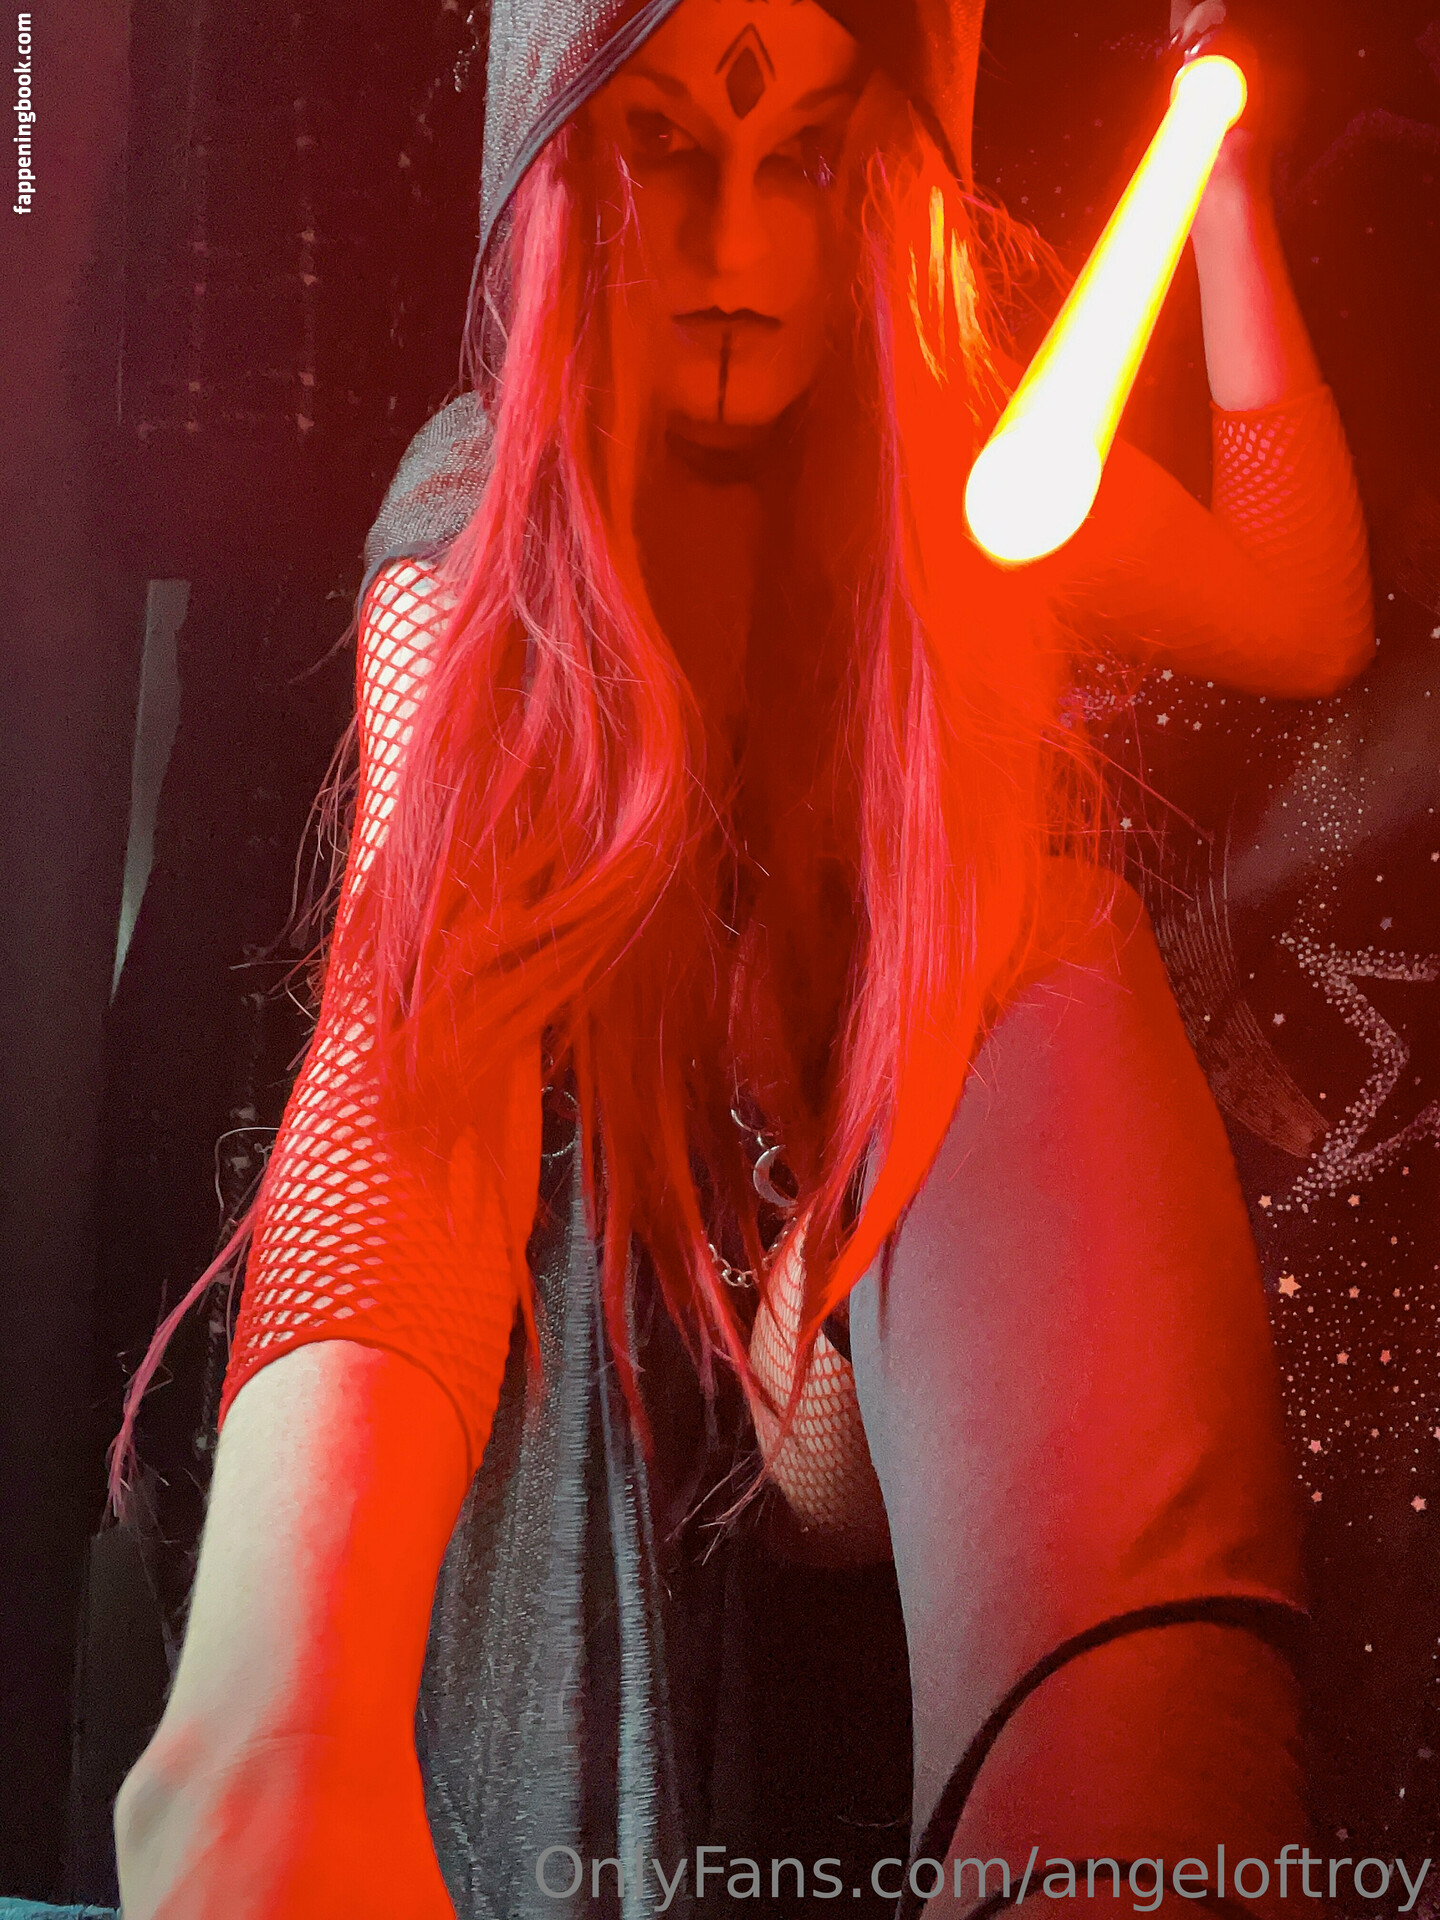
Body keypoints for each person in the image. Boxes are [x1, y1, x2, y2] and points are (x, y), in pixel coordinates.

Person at [108, 0, 1375, 1916]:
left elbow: (1301, 611)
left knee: (1049, 942)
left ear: (883, 175)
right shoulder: (485, 525)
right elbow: (414, 1024)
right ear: (559, 154)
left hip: (905, 1304)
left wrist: (1223, 187)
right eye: (664, 144)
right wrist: (277, 1706)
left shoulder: (974, 472)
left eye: (803, 154)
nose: (731, 250)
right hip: (623, 1357)